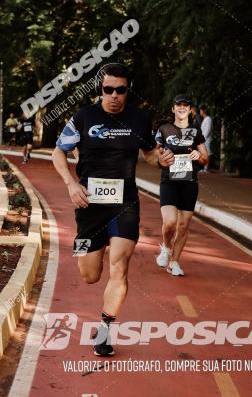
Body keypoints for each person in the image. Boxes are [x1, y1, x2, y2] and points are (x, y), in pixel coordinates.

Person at [52, 62, 174, 357]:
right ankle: (94, 248)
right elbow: (59, 152)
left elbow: (148, 155)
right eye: (109, 89)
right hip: (89, 206)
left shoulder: (140, 119)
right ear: (100, 89)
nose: (115, 95)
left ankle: (105, 330)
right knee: (89, 275)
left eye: (121, 90)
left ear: (127, 90)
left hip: (124, 203)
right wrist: (70, 184)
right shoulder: (84, 116)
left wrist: (161, 159)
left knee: (120, 264)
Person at [155, 95, 208, 276]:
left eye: (186, 105)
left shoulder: (196, 131)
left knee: (184, 225)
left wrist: (197, 156)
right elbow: (155, 154)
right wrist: (161, 159)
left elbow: (205, 158)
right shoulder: (164, 129)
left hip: (190, 183)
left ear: (190, 109)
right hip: (169, 182)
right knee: (170, 222)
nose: (182, 107)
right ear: (173, 108)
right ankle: (165, 247)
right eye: (179, 104)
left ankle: (174, 262)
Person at [199, 104, 212, 172]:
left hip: (206, 139)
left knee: (207, 153)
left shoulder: (208, 119)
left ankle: (206, 168)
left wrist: (203, 138)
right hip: (203, 140)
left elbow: (207, 130)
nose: (200, 112)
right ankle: (204, 167)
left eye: (201, 110)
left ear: (203, 111)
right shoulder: (205, 119)